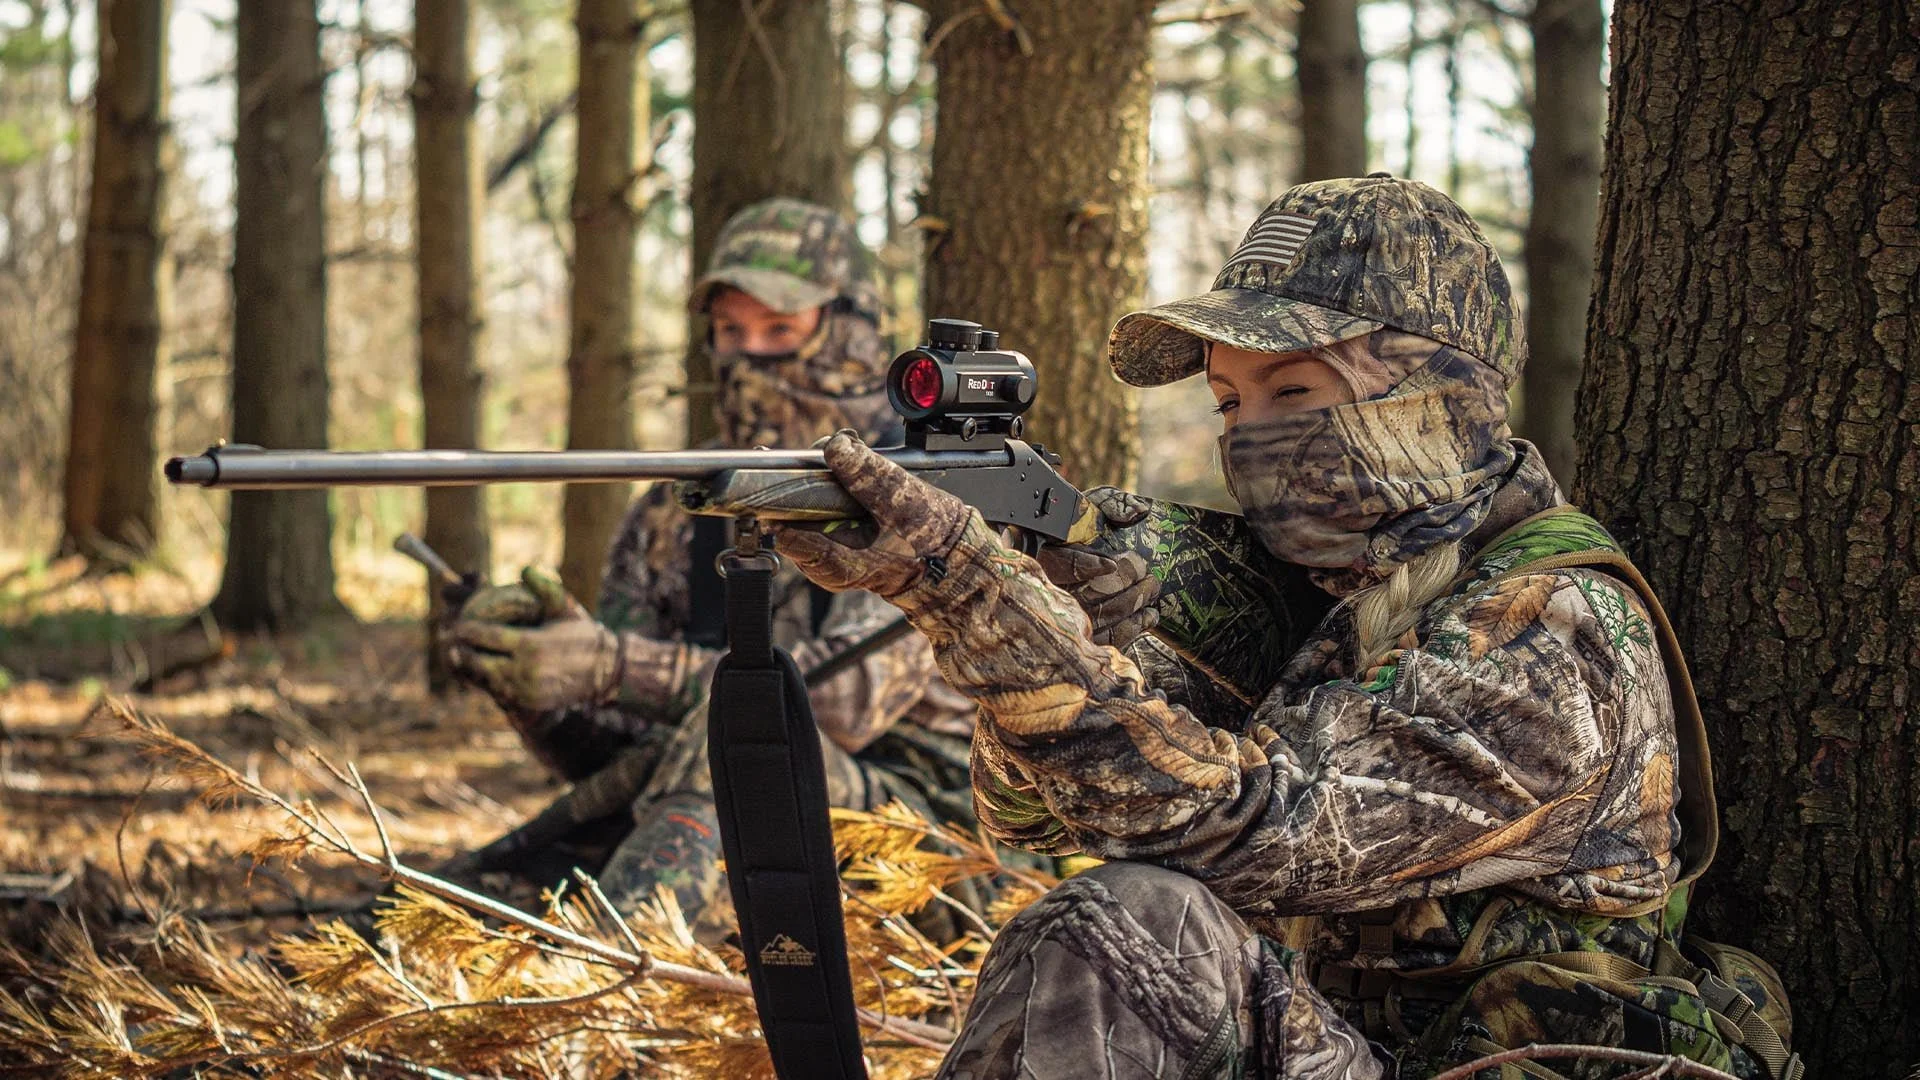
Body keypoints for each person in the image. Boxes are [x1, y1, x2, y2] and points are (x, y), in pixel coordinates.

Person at [771, 176, 1794, 1078]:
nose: (1253, 434)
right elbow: (1030, 822)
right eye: (1229, 405)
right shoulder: (1325, 599)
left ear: (1436, 393)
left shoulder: (1547, 627)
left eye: (1293, 391)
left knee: (1134, 929)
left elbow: (1256, 831)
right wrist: (1062, 627)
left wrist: (984, 599)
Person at [445, 198, 975, 931]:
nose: (752, 355)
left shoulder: (923, 494)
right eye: (732, 330)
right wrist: (535, 679)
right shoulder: (677, 509)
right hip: (727, 838)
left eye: (781, 329)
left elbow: (840, 702)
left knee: (744, 733)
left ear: (851, 331)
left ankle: (608, 989)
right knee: (511, 879)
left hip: (930, 860)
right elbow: (621, 760)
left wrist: (609, 666)